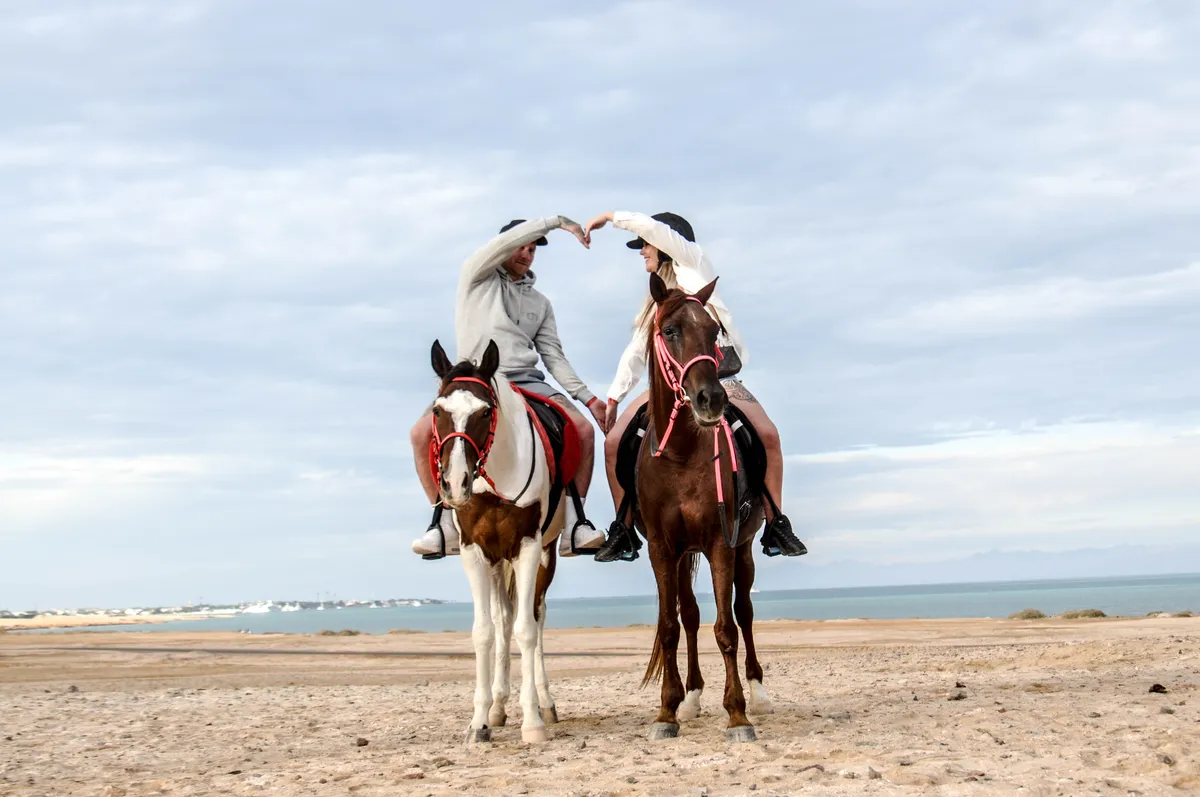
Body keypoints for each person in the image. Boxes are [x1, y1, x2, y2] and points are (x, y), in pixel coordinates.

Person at [581, 211, 808, 562]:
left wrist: (614, 217)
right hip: (670, 385)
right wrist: (614, 396)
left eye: (646, 245)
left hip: (719, 379)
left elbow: (655, 230)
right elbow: (638, 350)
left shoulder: (693, 264)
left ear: (666, 244)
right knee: (613, 443)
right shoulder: (654, 300)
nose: (643, 251)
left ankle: (776, 522)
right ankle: (624, 527)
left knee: (769, 436)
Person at [410, 217, 608, 559]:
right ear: (503, 247)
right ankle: (442, 522)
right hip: (475, 380)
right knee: (419, 434)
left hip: (526, 381)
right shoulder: (476, 278)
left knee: (583, 430)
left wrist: (588, 397)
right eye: (522, 246)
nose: (527, 254)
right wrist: (557, 223)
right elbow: (504, 245)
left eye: (533, 249)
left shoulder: (541, 304)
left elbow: (553, 356)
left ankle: (576, 523)